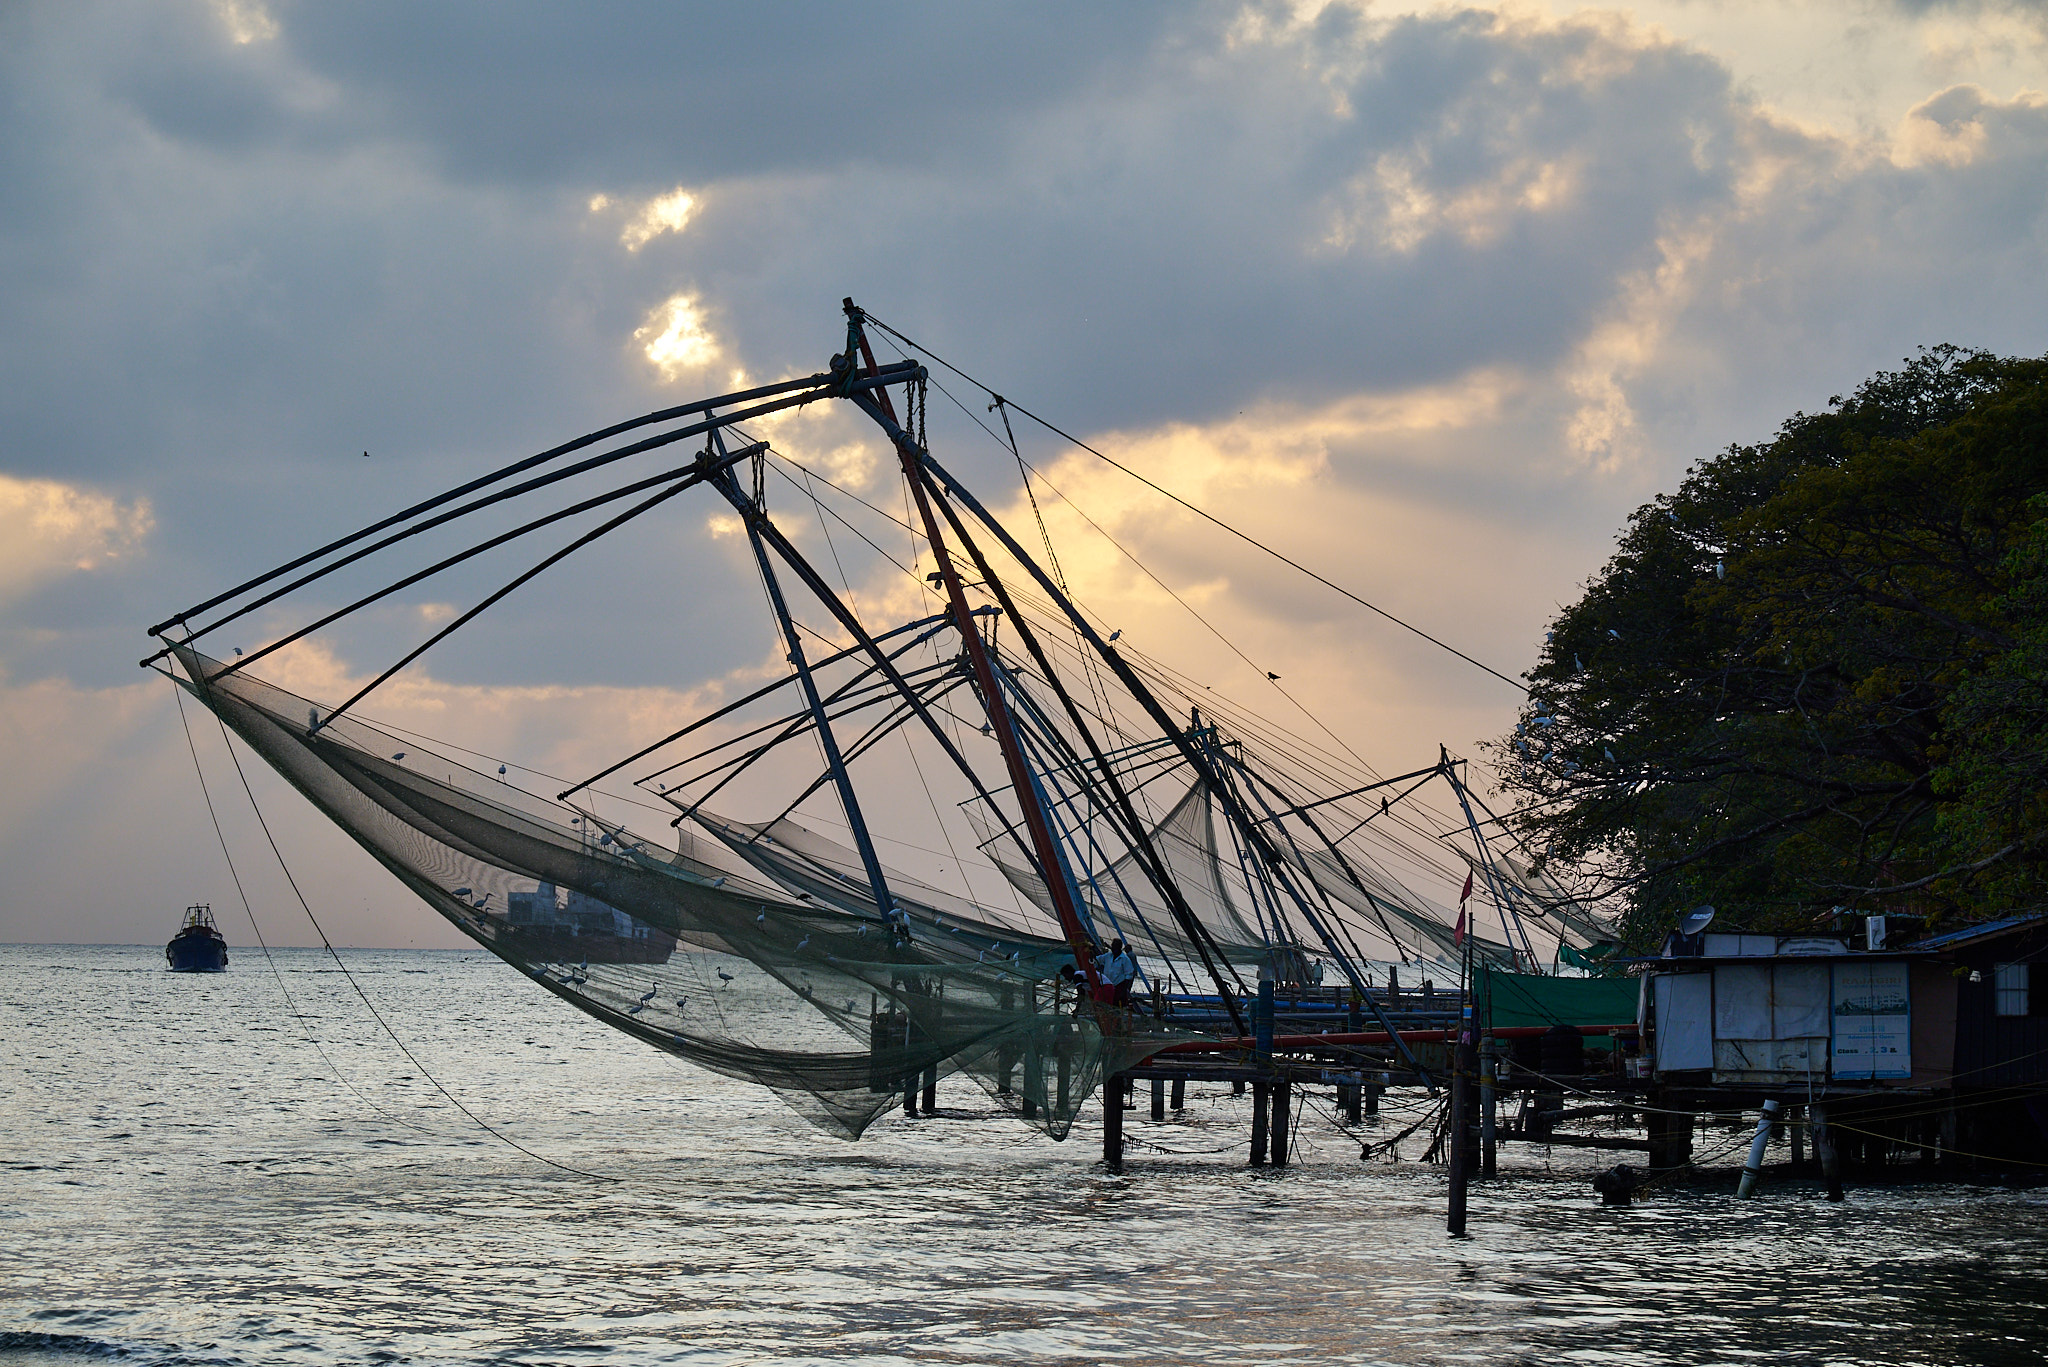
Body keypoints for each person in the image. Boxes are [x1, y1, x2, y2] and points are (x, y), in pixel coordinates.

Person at [1101, 938, 1138, 1008]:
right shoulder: (1108, 956)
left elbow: (1129, 974)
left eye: (1114, 946)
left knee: (1117, 1003)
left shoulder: (1127, 957)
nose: (1112, 948)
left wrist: (1124, 990)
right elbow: (1098, 959)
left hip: (1119, 986)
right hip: (1109, 986)